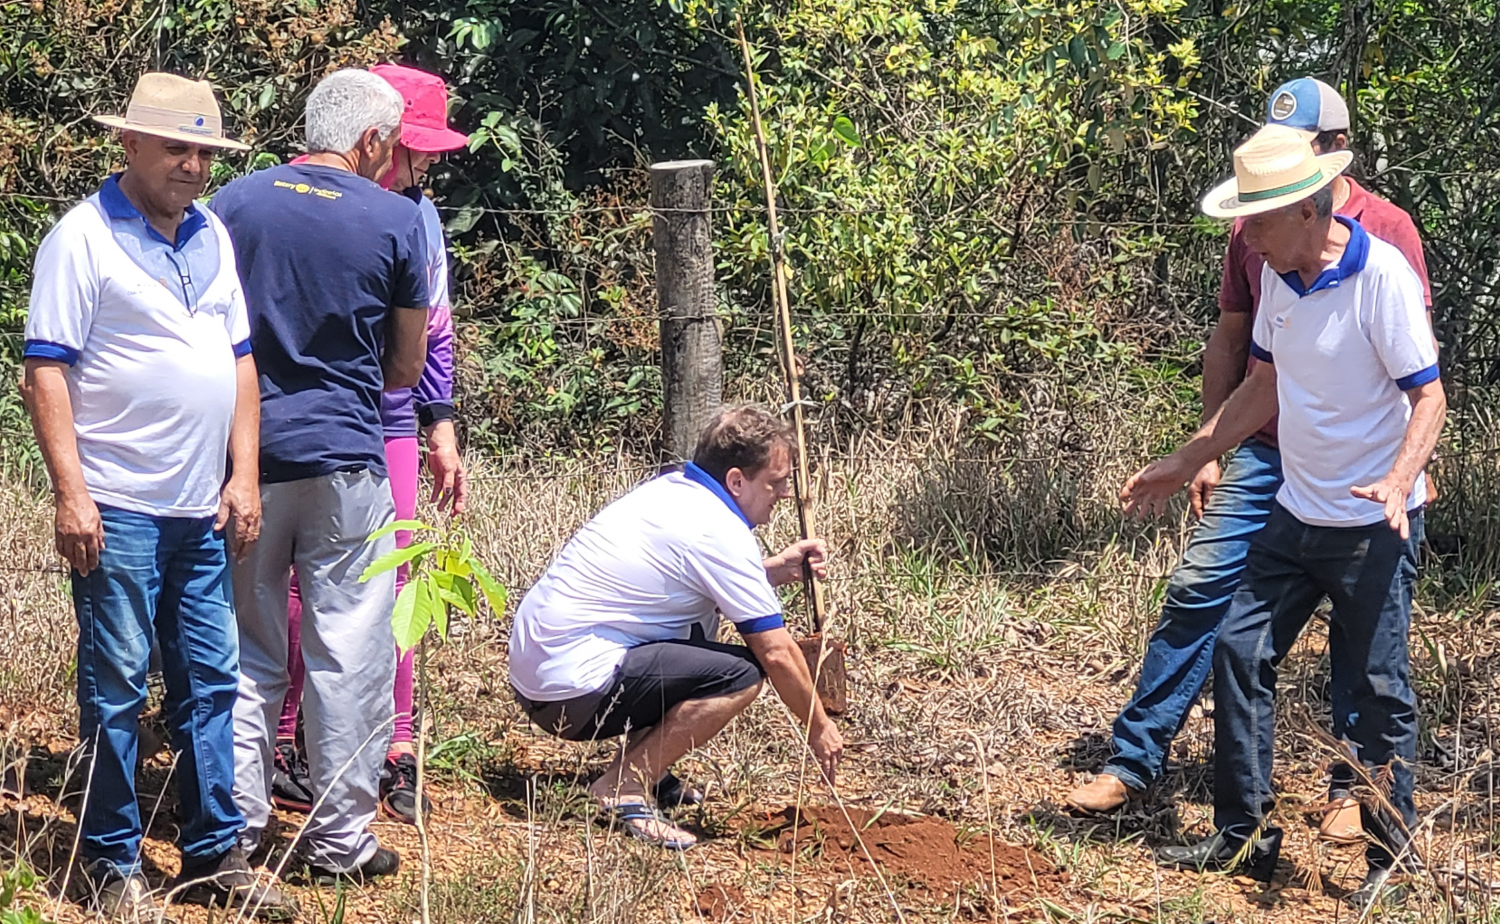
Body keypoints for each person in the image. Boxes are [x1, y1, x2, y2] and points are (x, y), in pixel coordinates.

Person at [1066, 77, 1434, 847]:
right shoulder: (1266, 258)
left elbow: (1423, 391)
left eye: (1257, 219)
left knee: (1373, 677)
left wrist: (1400, 480)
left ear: (1319, 181)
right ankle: (1231, 831)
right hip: (1287, 481)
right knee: (1229, 631)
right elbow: (1256, 372)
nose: (1245, 237)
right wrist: (1191, 454)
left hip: (1368, 504)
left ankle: (1377, 843)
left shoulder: (1386, 253)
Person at [21, 73, 294, 920]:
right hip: (119, 505)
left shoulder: (212, 233)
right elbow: (45, 370)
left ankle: (215, 854)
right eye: (176, 146)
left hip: (200, 508)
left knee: (211, 681)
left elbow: (240, 360)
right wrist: (73, 494)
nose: (192, 164)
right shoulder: (82, 239)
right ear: (129, 144)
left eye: (205, 150)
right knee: (116, 683)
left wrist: (242, 475)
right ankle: (110, 859)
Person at [211, 68, 430, 882]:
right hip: (346, 459)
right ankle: (341, 838)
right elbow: (406, 367)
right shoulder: (397, 219)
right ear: (371, 141)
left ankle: (233, 832)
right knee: (350, 651)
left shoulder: (234, 202)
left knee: (247, 650)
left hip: (244, 462)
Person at [270, 62, 468, 827]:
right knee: (293, 582)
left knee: (397, 572)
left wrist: (439, 424)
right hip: (301, 413)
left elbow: (436, 334)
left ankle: (396, 744)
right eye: (418, 151)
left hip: (385, 417)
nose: (424, 167)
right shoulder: (296, 196)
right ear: (378, 141)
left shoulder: (417, 217)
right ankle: (289, 740)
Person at [509, 406, 845, 849]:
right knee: (741, 674)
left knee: (696, 627)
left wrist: (774, 570)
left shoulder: (673, 491)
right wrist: (818, 727)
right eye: (775, 481)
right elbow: (777, 652)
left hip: (542, 677)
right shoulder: (718, 532)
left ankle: (650, 769)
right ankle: (623, 786)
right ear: (737, 481)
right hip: (574, 694)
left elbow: (685, 581)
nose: (784, 492)